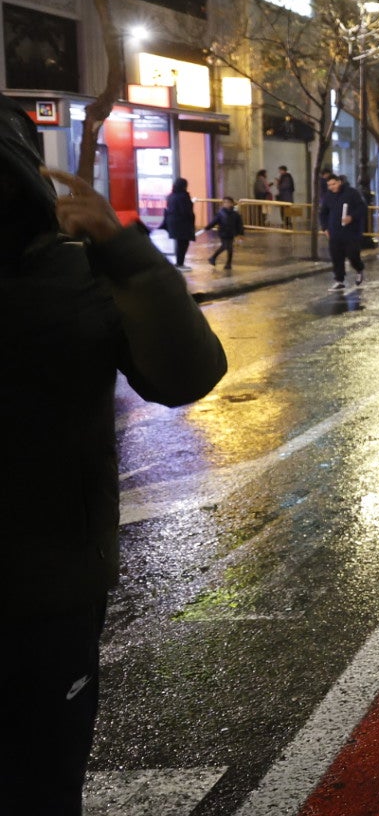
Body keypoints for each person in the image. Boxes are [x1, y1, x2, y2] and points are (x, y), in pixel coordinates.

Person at [0, 101, 226, 813]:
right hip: (55, 585)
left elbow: (186, 373)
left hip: (44, 597)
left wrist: (120, 248)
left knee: (38, 785)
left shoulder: (77, 276)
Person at [318, 174, 367, 290]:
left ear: (339, 182)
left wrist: (352, 217)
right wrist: (325, 228)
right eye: (329, 185)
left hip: (351, 232)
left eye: (333, 184)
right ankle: (339, 280)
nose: (331, 187)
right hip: (334, 232)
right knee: (336, 256)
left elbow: (362, 208)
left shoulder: (352, 193)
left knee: (352, 254)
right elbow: (323, 213)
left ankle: (359, 269)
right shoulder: (328, 196)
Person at [161, 178, 196, 270]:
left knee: (180, 243)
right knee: (183, 243)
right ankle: (180, 264)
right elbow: (185, 210)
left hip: (173, 223)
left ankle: (179, 263)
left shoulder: (171, 196)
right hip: (182, 223)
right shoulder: (183, 196)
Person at [205, 197, 245, 271]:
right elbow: (214, 221)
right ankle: (213, 258)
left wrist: (240, 234)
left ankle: (228, 264)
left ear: (232, 204)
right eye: (225, 202)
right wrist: (207, 227)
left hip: (231, 233)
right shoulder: (221, 213)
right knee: (225, 246)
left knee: (229, 248)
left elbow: (239, 224)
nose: (226, 204)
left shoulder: (235, 214)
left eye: (228, 202)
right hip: (223, 233)